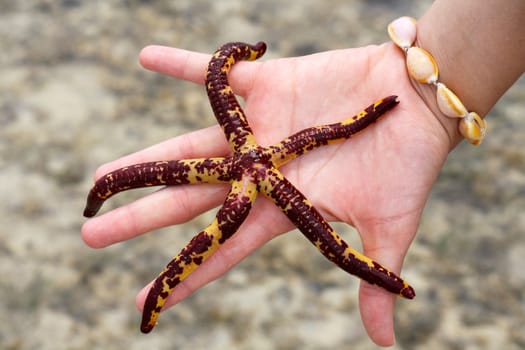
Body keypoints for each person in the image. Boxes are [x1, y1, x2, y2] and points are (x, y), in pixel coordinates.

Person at [81, 0, 524, 346]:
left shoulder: (253, 156)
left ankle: (145, 275)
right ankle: (139, 267)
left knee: (214, 234)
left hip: (252, 164)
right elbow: (221, 73)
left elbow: (223, 73)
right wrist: (389, 107)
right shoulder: (267, 162)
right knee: (300, 242)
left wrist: (400, 108)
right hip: (259, 165)